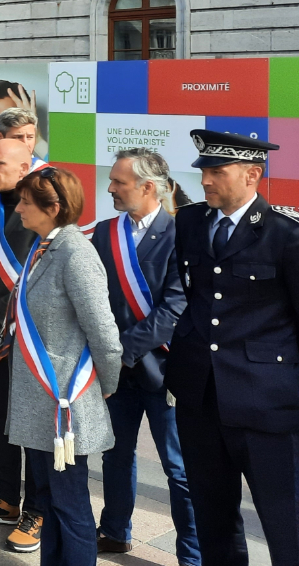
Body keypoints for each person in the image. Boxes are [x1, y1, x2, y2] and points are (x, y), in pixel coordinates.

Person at [168, 130, 299, 566]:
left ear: (252, 174)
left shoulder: (289, 235)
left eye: (216, 172)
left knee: (283, 524)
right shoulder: (189, 222)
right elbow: (194, 298)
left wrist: (277, 375)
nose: (205, 180)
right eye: (204, 171)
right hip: (200, 400)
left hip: (265, 402)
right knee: (213, 518)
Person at [8, 167, 123, 566]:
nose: (18, 208)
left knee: (71, 505)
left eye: (26, 201)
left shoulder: (76, 253)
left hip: (64, 408)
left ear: (53, 207)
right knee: (50, 502)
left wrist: (105, 385)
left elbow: (104, 333)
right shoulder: (43, 247)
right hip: (37, 403)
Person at [90, 148, 199, 564]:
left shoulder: (181, 235)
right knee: (115, 456)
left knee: (179, 469)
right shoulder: (104, 233)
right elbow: (96, 302)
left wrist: (119, 353)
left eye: (119, 182)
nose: (111, 188)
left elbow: (173, 310)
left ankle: (192, 554)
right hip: (118, 374)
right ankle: (115, 531)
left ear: (148, 187)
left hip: (165, 372)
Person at [0, 138, 44, 552]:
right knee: (0, 416)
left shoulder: (39, 208)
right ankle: (5, 495)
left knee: (31, 428)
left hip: (32, 338)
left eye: (0, 163)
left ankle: (36, 509)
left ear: (25, 168)